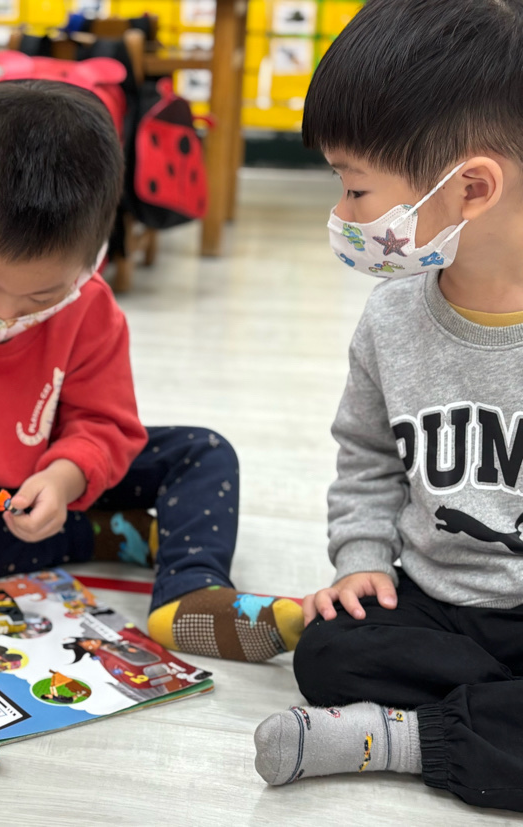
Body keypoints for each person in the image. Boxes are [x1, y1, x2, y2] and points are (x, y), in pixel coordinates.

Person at [0, 80, 302, 663]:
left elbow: (103, 423)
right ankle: (112, 533)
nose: (5, 314)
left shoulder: (90, 305)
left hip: (52, 476)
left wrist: (64, 478)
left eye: (41, 296)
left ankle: (190, 589)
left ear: (94, 253)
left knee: (205, 453)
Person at [253, 0, 523, 811]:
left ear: (471, 187)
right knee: (329, 653)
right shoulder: (391, 318)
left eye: (356, 187)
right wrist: (362, 560)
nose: (342, 214)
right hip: (433, 604)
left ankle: (400, 737)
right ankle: (491, 716)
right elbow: (368, 458)